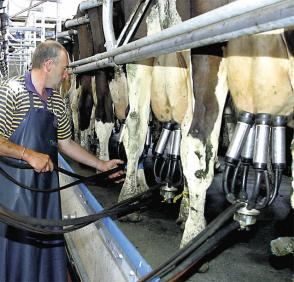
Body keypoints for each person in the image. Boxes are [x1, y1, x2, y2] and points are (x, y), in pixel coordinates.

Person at [0, 40, 124, 282]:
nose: (67, 73)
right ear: (48, 65)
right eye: (65, 68)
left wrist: (101, 165)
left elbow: (66, 143)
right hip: (13, 196)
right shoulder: (10, 92)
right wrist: (28, 154)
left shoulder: (56, 100)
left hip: (46, 195)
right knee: (15, 256)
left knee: (43, 259)